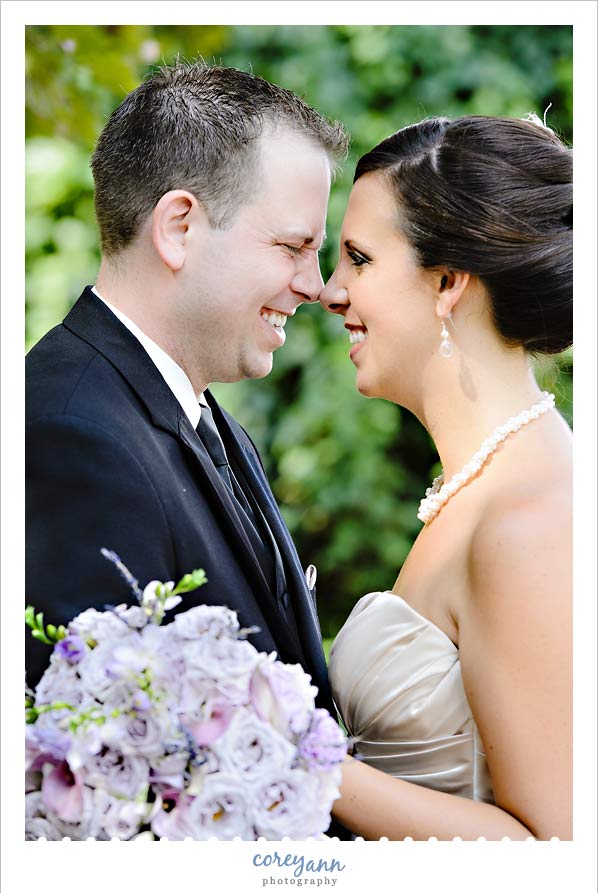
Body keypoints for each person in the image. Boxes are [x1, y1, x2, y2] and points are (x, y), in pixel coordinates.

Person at [25, 56, 348, 754]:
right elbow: (102, 761)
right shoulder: (69, 435)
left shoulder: (203, 418)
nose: (315, 285)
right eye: (294, 246)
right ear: (178, 228)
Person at [319, 114, 572, 840]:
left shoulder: (530, 519)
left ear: (449, 281)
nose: (330, 292)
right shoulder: (481, 484)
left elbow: (555, 851)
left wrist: (301, 762)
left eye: (359, 259)